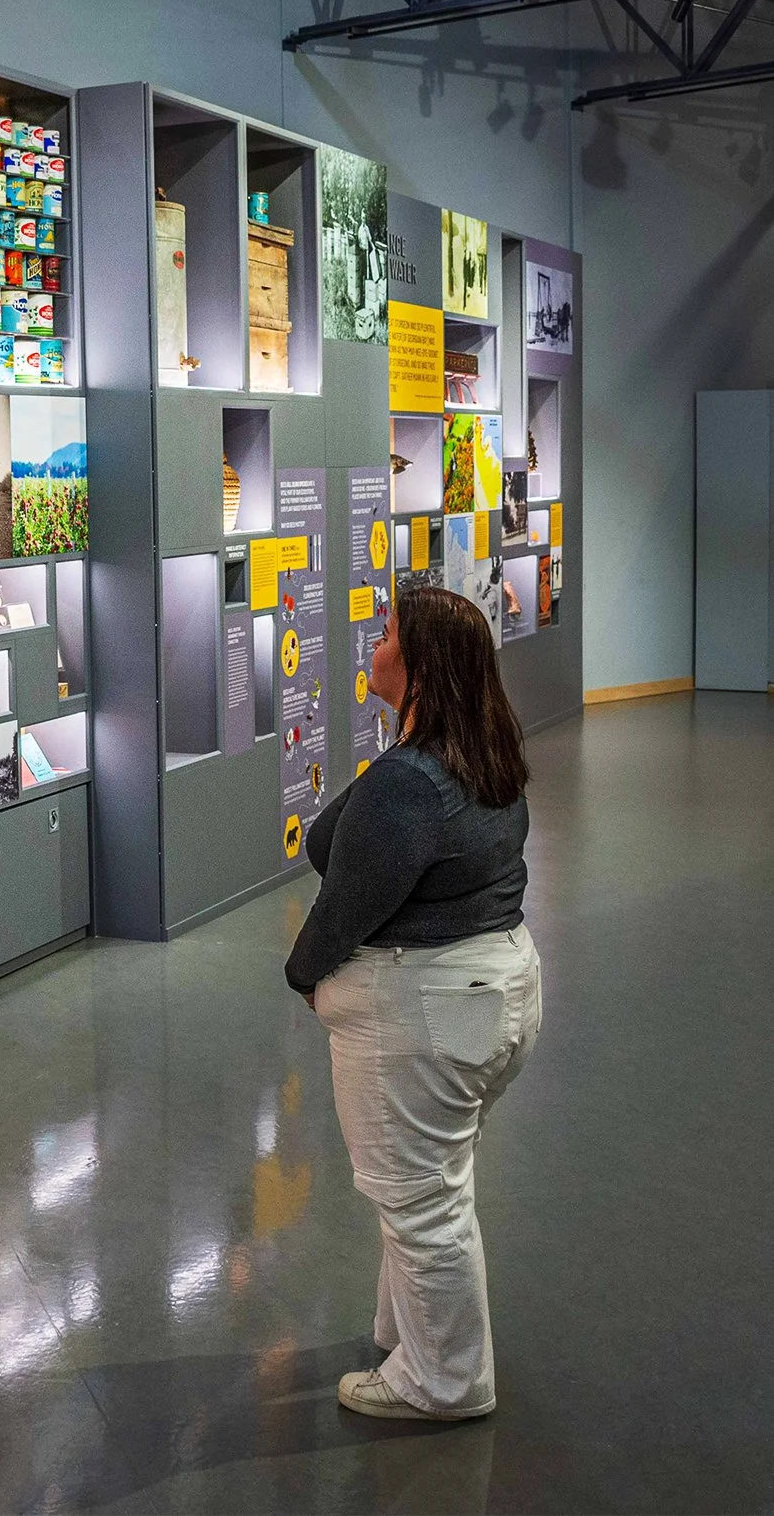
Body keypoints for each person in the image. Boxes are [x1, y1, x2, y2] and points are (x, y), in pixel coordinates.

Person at [285, 587, 542, 1423]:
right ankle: (412, 1339)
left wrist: (306, 976)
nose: (374, 640)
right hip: (497, 990)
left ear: (421, 668)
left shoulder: (407, 783)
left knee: (418, 1199)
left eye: (388, 632)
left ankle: (446, 1381)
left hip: (428, 1013)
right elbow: (336, 837)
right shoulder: (484, 755)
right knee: (434, 1180)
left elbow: (339, 891)